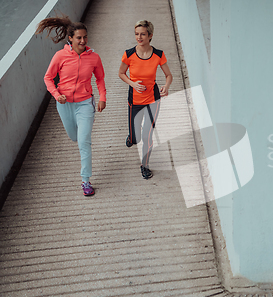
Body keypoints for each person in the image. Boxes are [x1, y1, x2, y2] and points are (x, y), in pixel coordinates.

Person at [37, 15, 106, 196]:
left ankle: (85, 181)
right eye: (79, 38)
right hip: (65, 104)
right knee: (74, 137)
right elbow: (48, 78)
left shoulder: (94, 58)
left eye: (85, 37)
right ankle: (78, 138)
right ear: (70, 38)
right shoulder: (60, 56)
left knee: (84, 141)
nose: (83, 41)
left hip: (85, 103)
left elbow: (99, 79)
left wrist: (102, 97)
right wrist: (56, 94)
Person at [119, 20, 173, 179]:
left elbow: (169, 75)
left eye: (143, 34)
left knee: (147, 135)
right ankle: (131, 137)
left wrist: (166, 86)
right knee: (135, 138)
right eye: (136, 34)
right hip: (135, 100)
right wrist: (133, 84)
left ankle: (145, 165)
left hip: (152, 100)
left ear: (150, 36)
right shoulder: (129, 54)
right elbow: (121, 73)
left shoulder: (158, 54)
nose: (139, 37)